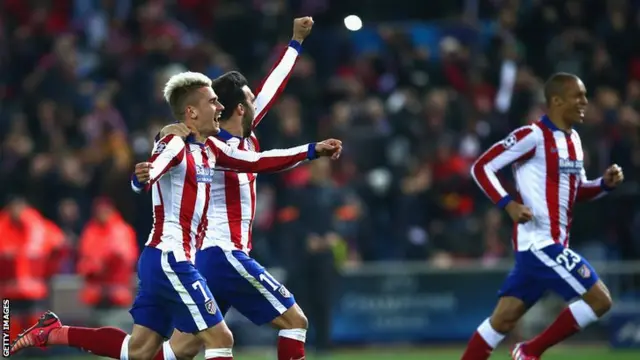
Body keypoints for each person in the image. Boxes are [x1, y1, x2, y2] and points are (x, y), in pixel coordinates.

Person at [11, 71, 342, 360]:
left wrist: (312, 150)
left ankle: (53, 332)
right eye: (213, 102)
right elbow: (154, 167)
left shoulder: (211, 149)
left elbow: (257, 162)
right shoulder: (174, 141)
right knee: (221, 339)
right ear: (192, 112)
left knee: (140, 351)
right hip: (173, 260)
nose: (220, 108)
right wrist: (141, 178)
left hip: (163, 259)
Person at [133, 17, 318, 360]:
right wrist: (311, 150)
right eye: (249, 98)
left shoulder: (243, 132)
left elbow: (273, 86)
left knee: (180, 348)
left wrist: (294, 43)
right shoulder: (217, 146)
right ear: (239, 107)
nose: (256, 101)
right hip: (222, 252)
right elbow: (260, 161)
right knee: (295, 321)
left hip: (210, 254)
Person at [460, 73, 624, 360]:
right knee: (600, 300)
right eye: (579, 96)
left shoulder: (573, 140)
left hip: (547, 246)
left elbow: (575, 192)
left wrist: (603, 185)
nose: (585, 102)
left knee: (503, 320)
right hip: (540, 244)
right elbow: (482, 167)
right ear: (557, 101)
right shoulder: (532, 136)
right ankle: (529, 351)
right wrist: (508, 204)